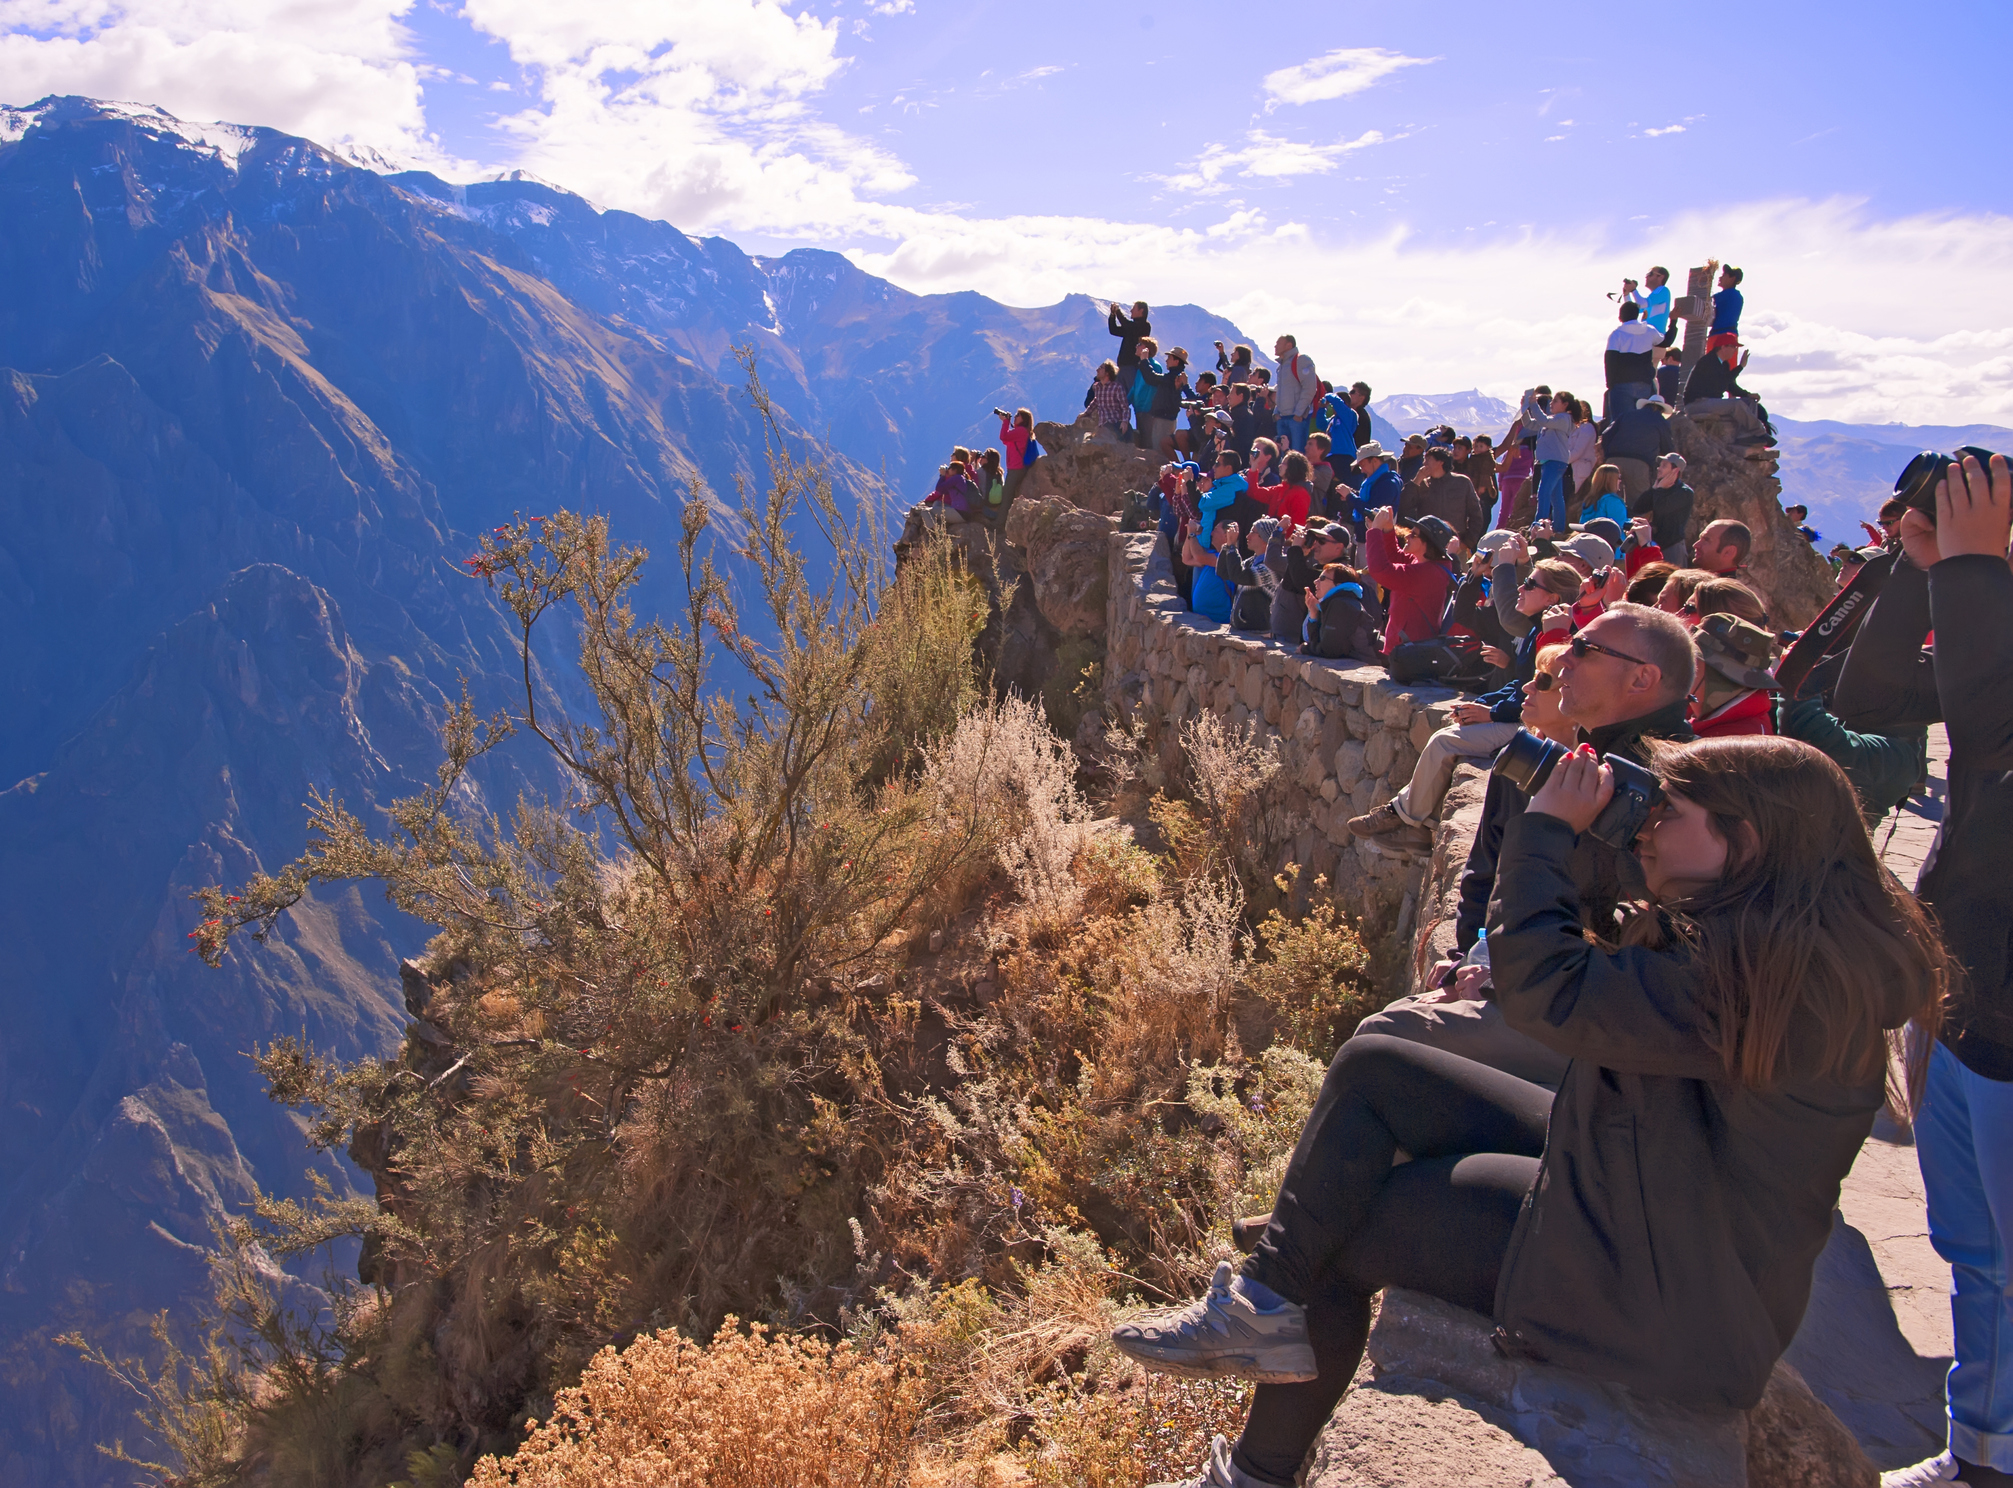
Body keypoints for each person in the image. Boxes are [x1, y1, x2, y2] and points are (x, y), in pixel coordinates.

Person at [1130, 731, 1948, 1488]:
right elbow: (1600, 931)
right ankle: (1266, 1294)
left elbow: (1546, 988)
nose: (1649, 829)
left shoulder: (1773, 984)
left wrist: (1548, 830)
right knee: (1380, 1067)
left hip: (1655, 1295)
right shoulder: (1770, 935)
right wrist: (1604, 821)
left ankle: (1256, 1467)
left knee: (1349, 1238)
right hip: (1644, 1199)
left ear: (1749, 840)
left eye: (1670, 813)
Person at [1832, 454, 2013, 1488]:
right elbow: (1871, 698)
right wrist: (1924, 570)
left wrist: (1977, 575)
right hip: (1966, 988)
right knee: (1971, 1245)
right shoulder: (1983, 613)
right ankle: (1983, 1452)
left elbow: (1997, 733)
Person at [1349, 552, 1579, 850]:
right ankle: (1419, 829)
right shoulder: (1537, 629)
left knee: (1445, 742)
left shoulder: (1555, 637)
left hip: (1529, 727)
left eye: (1530, 584)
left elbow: (1538, 694)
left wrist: (1491, 713)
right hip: (1519, 716)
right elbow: (1519, 683)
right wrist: (1484, 703)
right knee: (1450, 732)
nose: (1520, 588)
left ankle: (1400, 815)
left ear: (1552, 598)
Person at [1364, 509, 1457, 656]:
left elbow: (1381, 570)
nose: (1407, 535)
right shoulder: (1425, 564)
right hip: (1406, 650)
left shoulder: (1427, 574)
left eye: (1414, 534)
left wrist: (1375, 531)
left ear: (1427, 544)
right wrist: (1388, 529)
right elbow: (1394, 557)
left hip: (1410, 654)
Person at [1689, 613, 1778, 738]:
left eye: (1693, 660)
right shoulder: (1717, 718)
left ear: (1719, 677)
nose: (1683, 667)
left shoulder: (1741, 739)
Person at [1397, 444, 1487, 553]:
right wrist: (1416, 481)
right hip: (1426, 545)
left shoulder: (1462, 482)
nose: (1424, 464)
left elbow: (1476, 515)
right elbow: (1404, 507)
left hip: (1455, 545)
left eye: (1428, 459)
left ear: (1441, 462)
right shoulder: (1422, 485)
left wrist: (1467, 542)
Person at [1300, 561, 1384, 663]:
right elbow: (1320, 642)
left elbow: (1331, 649)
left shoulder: (1341, 604)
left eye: (1322, 578)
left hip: (1377, 659)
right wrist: (1314, 614)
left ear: (1338, 584)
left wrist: (1305, 649)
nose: (1315, 582)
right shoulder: (1336, 602)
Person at [1519, 387, 1577, 530]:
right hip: (1550, 462)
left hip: (1555, 461)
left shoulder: (1564, 419)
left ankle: (1539, 526)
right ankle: (1557, 528)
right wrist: (1524, 409)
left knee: (1543, 492)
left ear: (1565, 404)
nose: (1551, 403)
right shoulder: (1553, 420)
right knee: (1556, 498)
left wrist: (1533, 403)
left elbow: (1543, 420)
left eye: (1556, 401)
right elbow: (1531, 424)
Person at [1634, 452, 1695, 565]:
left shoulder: (1684, 492)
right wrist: (1653, 490)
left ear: (1675, 471)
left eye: (1664, 466)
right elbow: (1639, 507)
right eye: (1660, 465)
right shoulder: (1658, 489)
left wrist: (1659, 490)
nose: (1659, 468)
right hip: (1656, 544)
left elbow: (1662, 508)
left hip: (1672, 546)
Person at [1138, 346, 1193, 460]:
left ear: (1176, 361)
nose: (1166, 360)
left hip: (1164, 419)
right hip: (1167, 418)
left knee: (1159, 451)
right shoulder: (1176, 377)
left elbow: (1151, 378)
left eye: (1169, 358)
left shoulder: (1172, 377)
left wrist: (1144, 361)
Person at [1604, 300, 1661, 403]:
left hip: (1622, 384)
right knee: (1642, 417)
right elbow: (1665, 341)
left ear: (1620, 317)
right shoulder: (1649, 330)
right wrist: (1673, 322)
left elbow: (1610, 361)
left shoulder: (1617, 335)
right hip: (1644, 383)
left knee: (1623, 418)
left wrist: (1610, 384)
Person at [1273, 335, 1319, 452]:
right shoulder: (1282, 365)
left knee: (1297, 455)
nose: (1275, 346)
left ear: (1289, 345)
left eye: (1278, 343)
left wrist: (1298, 414)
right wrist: (1276, 412)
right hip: (1283, 418)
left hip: (1297, 420)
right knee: (1284, 456)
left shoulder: (1301, 360)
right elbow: (1281, 391)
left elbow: (1309, 388)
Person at [1254, 450, 1314, 535]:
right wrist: (1254, 466)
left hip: (1284, 544)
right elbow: (1254, 492)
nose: (1279, 466)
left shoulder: (1301, 494)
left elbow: (1297, 525)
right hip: (1273, 540)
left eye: (1284, 463)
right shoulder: (1279, 488)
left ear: (1293, 467)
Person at [1349, 443, 1402, 539]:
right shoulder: (1376, 481)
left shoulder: (1388, 484)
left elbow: (1374, 513)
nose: (1362, 470)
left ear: (1374, 461)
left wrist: (1350, 497)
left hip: (1377, 539)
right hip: (1366, 536)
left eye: (1363, 465)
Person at [996, 408, 1036, 509]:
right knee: (1008, 494)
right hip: (1015, 467)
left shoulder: (1021, 431)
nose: (1015, 417)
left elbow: (1003, 437)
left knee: (1006, 496)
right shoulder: (1021, 432)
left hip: (1016, 468)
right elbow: (1006, 440)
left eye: (1018, 415)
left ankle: (1000, 523)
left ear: (1024, 419)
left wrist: (1005, 421)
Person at [1705, 259, 1744, 355]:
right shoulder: (1736, 295)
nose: (1720, 278)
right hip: (1729, 335)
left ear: (1732, 278)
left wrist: (1705, 282)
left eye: (1724, 275)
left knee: (1712, 367)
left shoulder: (1728, 294)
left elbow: (1705, 301)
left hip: (1721, 336)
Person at [1624, 265, 1674, 340]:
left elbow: (1642, 304)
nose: (1646, 277)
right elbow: (1631, 310)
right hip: (1648, 339)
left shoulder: (1663, 290)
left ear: (1660, 277)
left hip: (1655, 340)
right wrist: (1626, 294)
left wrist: (1633, 290)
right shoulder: (1652, 299)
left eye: (1650, 274)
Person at [1084, 366, 1129, 442]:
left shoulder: (1117, 387)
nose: (1097, 370)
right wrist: (1086, 413)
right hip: (1103, 424)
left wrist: (1125, 421)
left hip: (1115, 423)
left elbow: (1125, 407)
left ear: (1107, 373)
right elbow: (1095, 401)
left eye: (1101, 368)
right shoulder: (1097, 387)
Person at [1579, 464, 1630, 528]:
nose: (1620, 481)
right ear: (1612, 480)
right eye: (1618, 477)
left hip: (1588, 536)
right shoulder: (1613, 501)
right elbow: (1618, 525)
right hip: (1610, 537)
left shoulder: (1589, 500)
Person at [1110, 299, 1150, 369]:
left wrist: (1118, 312)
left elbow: (1128, 325)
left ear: (1141, 311)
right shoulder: (1131, 327)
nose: (1131, 311)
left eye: (1134, 308)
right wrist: (1112, 315)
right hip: (1123, 365)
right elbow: (1114, 330)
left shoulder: (1144, 326)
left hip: (1133, 365)